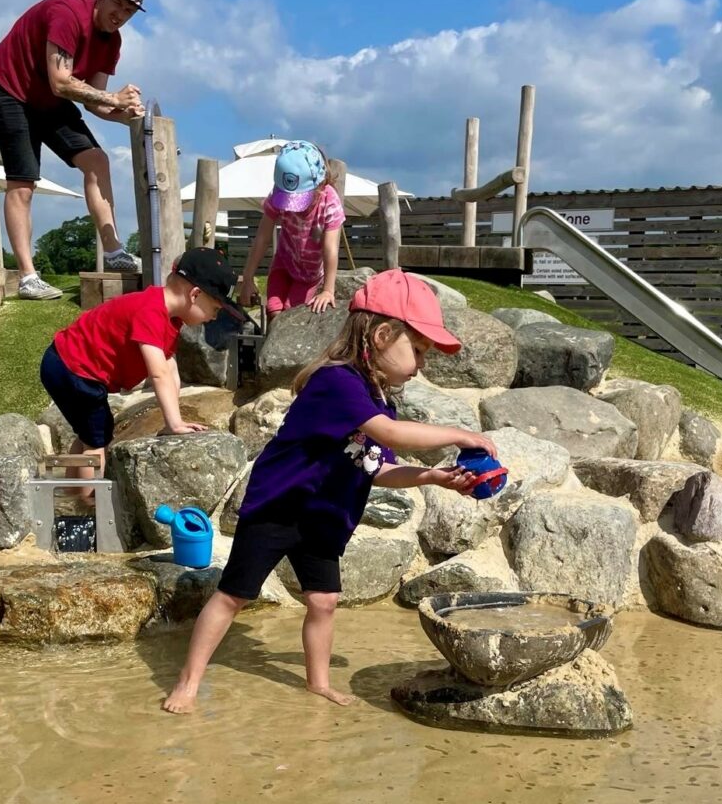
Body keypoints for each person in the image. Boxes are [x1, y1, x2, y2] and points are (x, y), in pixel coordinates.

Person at [162, 269, 498, 713]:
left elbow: (377, 468)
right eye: (417, 350)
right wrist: (459, 433)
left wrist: (433, 477)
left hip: (322, 516)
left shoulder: (379, 401)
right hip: (279, 507)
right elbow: (390, 435)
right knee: (234, 595)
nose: (422, 364)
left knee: (324, 600)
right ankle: (188, 683)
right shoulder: (338, 383)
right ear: (381, 334)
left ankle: (317, 682)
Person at [0, 0, 149, 301]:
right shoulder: (67, 13)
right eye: (116, 5)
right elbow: (62, 81)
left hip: (51, 99)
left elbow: (95, 103)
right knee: (23, 184)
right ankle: (28, 276)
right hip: (12, 90)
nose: (120, 16)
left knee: (96, 160)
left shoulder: (113, 42)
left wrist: (126, 116)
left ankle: (115, 252)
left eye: (128, 12)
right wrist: (115, 99)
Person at [40, 247, 245, 499]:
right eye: (215, 309)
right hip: (72, 367)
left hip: (69, 365)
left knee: (90, 434)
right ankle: (84, 512)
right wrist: (173, 423)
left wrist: (176, 419)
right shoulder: (151, 311)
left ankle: (66, 497)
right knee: (97, 442)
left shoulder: (170, 317)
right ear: (195, 294)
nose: (213, 318)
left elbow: (170, 368)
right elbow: (158, 373)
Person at [238, 141, 345, 318]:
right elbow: (262, 238)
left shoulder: (329, 201)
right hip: (284, 264)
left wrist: (328, 290)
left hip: (310, 276)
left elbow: (330, 248)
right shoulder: (278, 195)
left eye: (299, 199)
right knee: (273, 309)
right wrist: (248, 277)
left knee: (291, 314)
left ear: (319, 185)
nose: (293, 206)